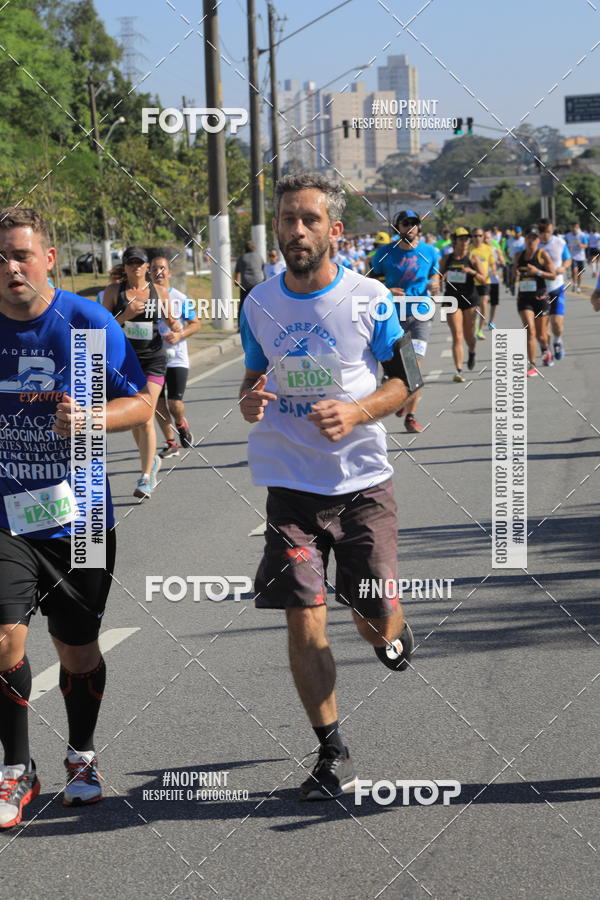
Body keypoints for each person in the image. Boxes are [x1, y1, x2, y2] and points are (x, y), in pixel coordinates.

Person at [239, 173, 415, 801]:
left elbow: (405, 383)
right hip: (290, 489)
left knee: (374, 618)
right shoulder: (258, 302)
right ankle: (330, 748)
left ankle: (387, 624)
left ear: (335, 230)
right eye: (288, 219)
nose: (296, 231)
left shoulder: (370, 299)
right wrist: (250, 402)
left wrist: (358, 412)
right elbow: (253, 380)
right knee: (303, 617)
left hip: (363, 486)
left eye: (309, 219)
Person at [0, 207, 151, 828]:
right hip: (6, 515)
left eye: (20, 255)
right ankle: (15, 770)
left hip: (81, 518)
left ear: (49, 258)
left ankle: (81, 757)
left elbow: (142, 403)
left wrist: (91, 419)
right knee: (3, 636)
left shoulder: (86, 325)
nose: (10, 268)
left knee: (78, 651)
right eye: (1, 257)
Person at [103, 247, 173, 499]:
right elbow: (103, 326)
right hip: (125, 362)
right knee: (136, 418)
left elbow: (171, 319)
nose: (136, 267)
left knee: (144, 414)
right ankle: (151, 460)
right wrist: (125, 315)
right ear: (125, 266)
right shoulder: (114, 291)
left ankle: (146, 476)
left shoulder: (159, 291)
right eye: (131, 263)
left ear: (147, 266)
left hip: (153, 360)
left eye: (140, 263)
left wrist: (174, 325)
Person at [370, 209, 439, 433]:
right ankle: (402, 395)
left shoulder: (429, 251)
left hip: (420, 314)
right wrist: (387, 290)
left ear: (419, 227)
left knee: (413, 366)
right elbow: (370, 281)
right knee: (396, 367)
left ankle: (410, 415)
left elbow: (434, 275)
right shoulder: (383, 254)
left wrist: (436, 284)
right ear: (396, 228)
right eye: (404, 224)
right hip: (392, 316)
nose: (409, 228)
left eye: (413, 224)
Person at [150, 255, 199, 457]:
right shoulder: (145, 298)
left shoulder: (180, 298)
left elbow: (196, 324)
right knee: (158, 403)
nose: (158, 271)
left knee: (174, 404)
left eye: (162, 268)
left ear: (169, 273)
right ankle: (171, 442)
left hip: (177, 357)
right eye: (154, 268)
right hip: (153, 358)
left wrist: (179, 334)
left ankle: (181, 422)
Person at [439, 228, 486, 381]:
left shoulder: (473, 258)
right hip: (452, 299)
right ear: (455, 241)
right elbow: (438, 277)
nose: (464, 241)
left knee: (469, 336)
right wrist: (442, 278)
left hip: (470, 299)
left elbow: (483, 279)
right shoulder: (447, 259)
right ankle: (458, 370)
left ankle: (472, 351)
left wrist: (471, 272)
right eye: (461, 239)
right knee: (457, 336)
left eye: (467, 239)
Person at [513, 227, 556, 376]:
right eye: (529, 238)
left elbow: (553, 275)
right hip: (524, 299)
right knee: (529, 330)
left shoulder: (543, 255)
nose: (531, 241)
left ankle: (545, 349)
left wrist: (537, 272)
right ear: (525, 239)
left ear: (538, 240)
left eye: (534, 238)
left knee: (541, 335)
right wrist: (516, 273)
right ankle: (532, 365)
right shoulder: (519, 256)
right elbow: (513, 274)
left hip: (540, 298)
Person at [538, 219, 570, 361]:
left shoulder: (559, 242)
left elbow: (568, 259)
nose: (546, 235)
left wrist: (563, 267)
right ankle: (547, 350)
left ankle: (557, 341)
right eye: (543, 231)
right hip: (540, 290)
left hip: (556, 287)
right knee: (543, 328)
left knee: (556, 323)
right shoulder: (534, 244)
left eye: (549, 232)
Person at [470, 228, 496, 338]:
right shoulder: (469, 249)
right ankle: (474, 326)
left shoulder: (488, 249)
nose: (477, 238)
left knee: (484, 303)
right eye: (475, 236)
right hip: (472, 282)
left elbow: (492, 263)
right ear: (472, 237)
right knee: (474, 308)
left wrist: (494, 270)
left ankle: (480, 330)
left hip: (485, 281)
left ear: (483, 237)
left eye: (480, 236)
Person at [234, 241, 265, 312]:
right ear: (254, 248)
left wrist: (236, 282)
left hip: (245, 286)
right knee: (260, 305)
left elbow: (236, 272)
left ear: (245, 248)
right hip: (258, 285)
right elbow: (262, 269)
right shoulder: (259, 257)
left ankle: (240, 321)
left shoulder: (241, 258)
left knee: (243, 305)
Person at [484, 230, 506, 327]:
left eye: (487, 237)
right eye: (484, 237)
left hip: (494, 279)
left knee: (494, 302)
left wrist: (501, 262)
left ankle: (491, 321)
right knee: (483, 300)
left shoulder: (495, 249)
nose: (485, 239)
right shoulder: (477, 250)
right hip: (482, 280)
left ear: (491, 239)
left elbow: (502, 261)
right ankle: (481, 319)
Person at [564, 223, 588, 293]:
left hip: (581, 257)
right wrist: (567, 248)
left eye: (576, 227)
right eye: (573, 227)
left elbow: (586, 245)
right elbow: (564, 244)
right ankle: (574, 284)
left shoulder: (582, 235)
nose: (574, 229)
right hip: (572, 256)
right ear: (571, 228)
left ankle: (578, 287)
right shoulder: (568, 235)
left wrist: (581, 245)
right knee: (574, 270)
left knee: (579, 273)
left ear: (578, 228)